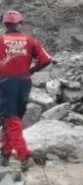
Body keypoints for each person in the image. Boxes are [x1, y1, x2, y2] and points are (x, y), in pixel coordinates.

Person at [0, 11, 52, 170]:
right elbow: (46, 59)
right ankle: (5, 153)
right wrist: (33, 70)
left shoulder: (1, 40)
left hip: (5, 82)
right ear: (19, 24)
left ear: (5, 25)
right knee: (13, 118)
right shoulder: (29, 41)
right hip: (24, 82)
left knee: (10, 119)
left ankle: (24, 156)